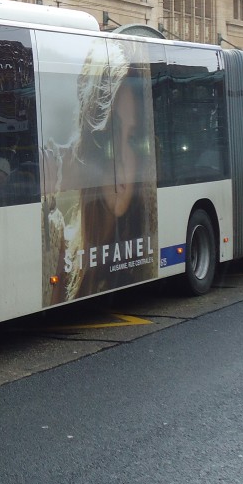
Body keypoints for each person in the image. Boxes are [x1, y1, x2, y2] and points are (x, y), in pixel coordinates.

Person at [41, 38, 157, 305]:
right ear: (91, 140)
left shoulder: (139, 261)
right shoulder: (60, 248)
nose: (122, 162)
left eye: (133, 139)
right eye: (110, 136)